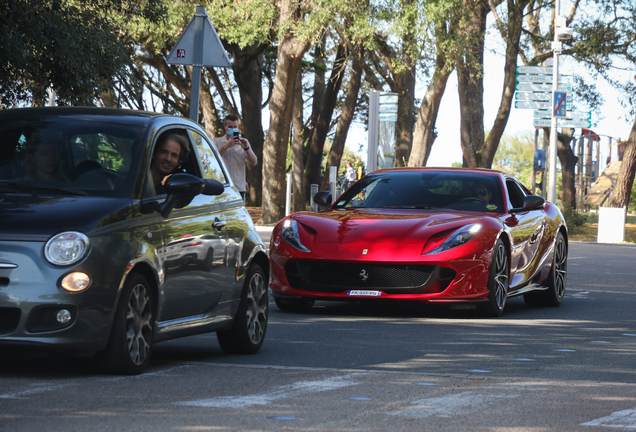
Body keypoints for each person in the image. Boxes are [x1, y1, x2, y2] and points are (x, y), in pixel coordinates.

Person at [213, 115, 257, 201]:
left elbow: (254, 162)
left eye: (235, 127)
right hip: (222, 187)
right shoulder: (217, 142)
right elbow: (213, 159)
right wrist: (226, 145)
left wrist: (246, 148)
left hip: (239, 187)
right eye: (230, 127)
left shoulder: (244, 142)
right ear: (225, 127)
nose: (233, 129)